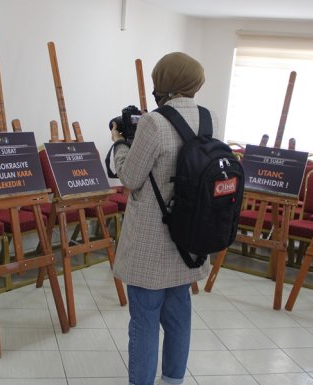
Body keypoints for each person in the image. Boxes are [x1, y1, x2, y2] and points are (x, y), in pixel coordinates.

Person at [110, 52, 215, 385]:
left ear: (164, 80)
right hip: (188, 235)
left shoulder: (154, 122)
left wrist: (120, 142)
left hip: (151, 240)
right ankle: (173, 380)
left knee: (143, 319)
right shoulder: (206, 118)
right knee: (179, 315)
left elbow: (130, 177)